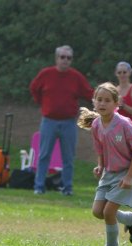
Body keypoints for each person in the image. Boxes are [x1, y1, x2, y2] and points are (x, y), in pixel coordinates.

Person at [77, 83, 132, 246]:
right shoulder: (96, 125)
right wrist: (100, 166)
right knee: (98, 212)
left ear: (117, 104)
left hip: (131, 169)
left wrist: (130, 177)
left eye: (107, 100)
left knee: (109, 212)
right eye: (99, 99)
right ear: (94, 102)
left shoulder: (124, 123)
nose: (102, 103)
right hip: (110, 171)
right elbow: (100, 149)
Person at [29, 45, 94, 196]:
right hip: (49, 121)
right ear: (56, 58)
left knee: (68, 157)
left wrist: (104, 98)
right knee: (44, 154)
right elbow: (34, 88)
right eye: (62, 57)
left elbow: (88, 93)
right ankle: (39, 186)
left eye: (68, 58)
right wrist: (42, 103)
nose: (65, 60)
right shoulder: (46, 74)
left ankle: (67, 188)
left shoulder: (76, 77)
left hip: (68, 122)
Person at [115, 61, 132, 126]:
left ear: (129, 73)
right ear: (116, 73)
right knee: (117, 136)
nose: (122, 75)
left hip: (129, 128)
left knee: (118, 136)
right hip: (116, 128)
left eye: (124, 72)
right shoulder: (114, 90)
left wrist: (123, 106)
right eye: (119, 72)